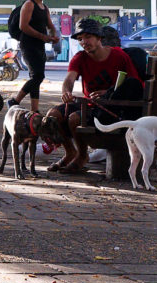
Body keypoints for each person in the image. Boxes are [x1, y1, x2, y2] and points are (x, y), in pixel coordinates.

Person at [56, 19, 144, 172]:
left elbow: (134, 84)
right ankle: (70, 152)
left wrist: (108, 93)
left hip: (109, 108)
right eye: (80, 39)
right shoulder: (80, 57)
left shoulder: (119, 56)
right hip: (88, 103)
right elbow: (69, 79)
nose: (84, 42)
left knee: (74, 119)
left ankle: (82, 156)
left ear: (99, 38)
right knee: (53, 115)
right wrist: (66, 92)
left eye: (88, 37)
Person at [10, 0, 60, 103]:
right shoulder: (29, 4)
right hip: (28, 44)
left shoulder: (44, 7)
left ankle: (34, 109)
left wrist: (53, 36)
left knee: (35, 77)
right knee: (38, 76)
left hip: (39, 45)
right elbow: (23, 26)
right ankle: (15, 101)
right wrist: (43, 37)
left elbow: (50, 25)